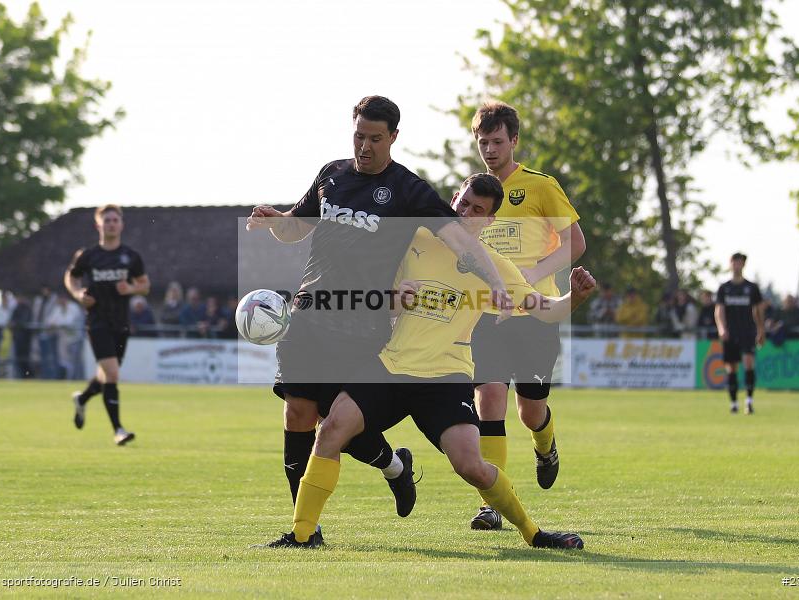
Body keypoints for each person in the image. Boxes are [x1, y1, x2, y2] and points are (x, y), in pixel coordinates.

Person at [266, 174, 595, 549]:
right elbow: (369, 288)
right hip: (389, 367)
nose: (466, 213)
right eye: (464, 204)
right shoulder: (414, 241)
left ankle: (533, 534)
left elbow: (546, 310)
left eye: (478, 211)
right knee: (331, 430)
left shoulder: (495, 268)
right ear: (453, 200)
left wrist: (575, 298)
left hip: (446, 377)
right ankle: (302, 534)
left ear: (489, 221)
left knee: (470, 465)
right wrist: (391, 295)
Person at [246, 96, 514, 540]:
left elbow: (462, 240)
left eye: (374, 138)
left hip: (362, 326)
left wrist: (497, 284)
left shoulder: (409, 191)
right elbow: (296, 226)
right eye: (358, 136)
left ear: (393, 137)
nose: (364, 146)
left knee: (338, 425)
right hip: (311, 313)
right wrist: (276, 220)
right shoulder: (331, 175)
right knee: (298, 413)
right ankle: (303, 532)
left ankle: (394, 466)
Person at [465, 101, 586, 530]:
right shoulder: (473, 194)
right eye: (483, 142)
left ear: (514, 140)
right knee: (489, 399)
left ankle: (545, 444)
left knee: (530, 410)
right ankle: (492, 503)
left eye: (497, 142)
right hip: (488, 317)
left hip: (535, 314)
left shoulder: (539, 186)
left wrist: (528, 275)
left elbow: (575, 244)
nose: (490, 150)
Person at [65, 204, 150, 445]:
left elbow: (145, 285)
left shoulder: (131, 257)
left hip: (121, 324)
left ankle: (82, 399)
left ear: (121, 225)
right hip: (97, 322)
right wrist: (78, 294)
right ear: (98, 225)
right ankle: (118, 430)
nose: (111, 223)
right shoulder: (88, 256)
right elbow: (71, 276)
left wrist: (131, 288)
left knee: (106, 376)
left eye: (115, 220)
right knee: (112, 374)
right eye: (107, 220)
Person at [715, 252, 765, 415]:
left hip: (747, 332)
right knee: (731, 368)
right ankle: (734, 403)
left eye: (740, 262)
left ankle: (749, 401)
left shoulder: (751, 288)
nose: (737, 265)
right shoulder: (724, 288)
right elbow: (719, 310)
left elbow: (758, 311)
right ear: (730, 264)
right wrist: (722, 328)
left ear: (743, 265)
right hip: (731, 333)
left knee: (749, 363)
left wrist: (760, 330)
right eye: (734, 262)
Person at [32, 285, 59, 379]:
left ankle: (54, 376)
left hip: (51, 331)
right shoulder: (39, 300)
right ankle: (45, 375)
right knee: (43, 356)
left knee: (52, 356)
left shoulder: (54, 300)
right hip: (41, 331)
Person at [9, 292, 33, 378]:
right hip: (17, 337)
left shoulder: (26, 308)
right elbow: (12, 320)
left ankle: (28, 375)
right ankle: (23, 375)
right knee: (19, 358)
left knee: (25, 358)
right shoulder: (16, 308)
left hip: (25, 338)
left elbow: (24, 321)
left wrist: (15, 324)